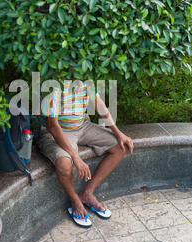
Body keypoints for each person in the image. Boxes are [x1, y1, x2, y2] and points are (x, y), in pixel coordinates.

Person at [37, 81, 133, 228]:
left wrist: (118, 133)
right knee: (64, 163)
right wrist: (76, 158)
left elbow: (100, 106)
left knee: (121, 147)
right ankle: (75, 199)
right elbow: (52, 126)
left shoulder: (86, 77)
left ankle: (87, 193)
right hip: (59, 132)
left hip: (83, 126)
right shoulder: (54, 84)